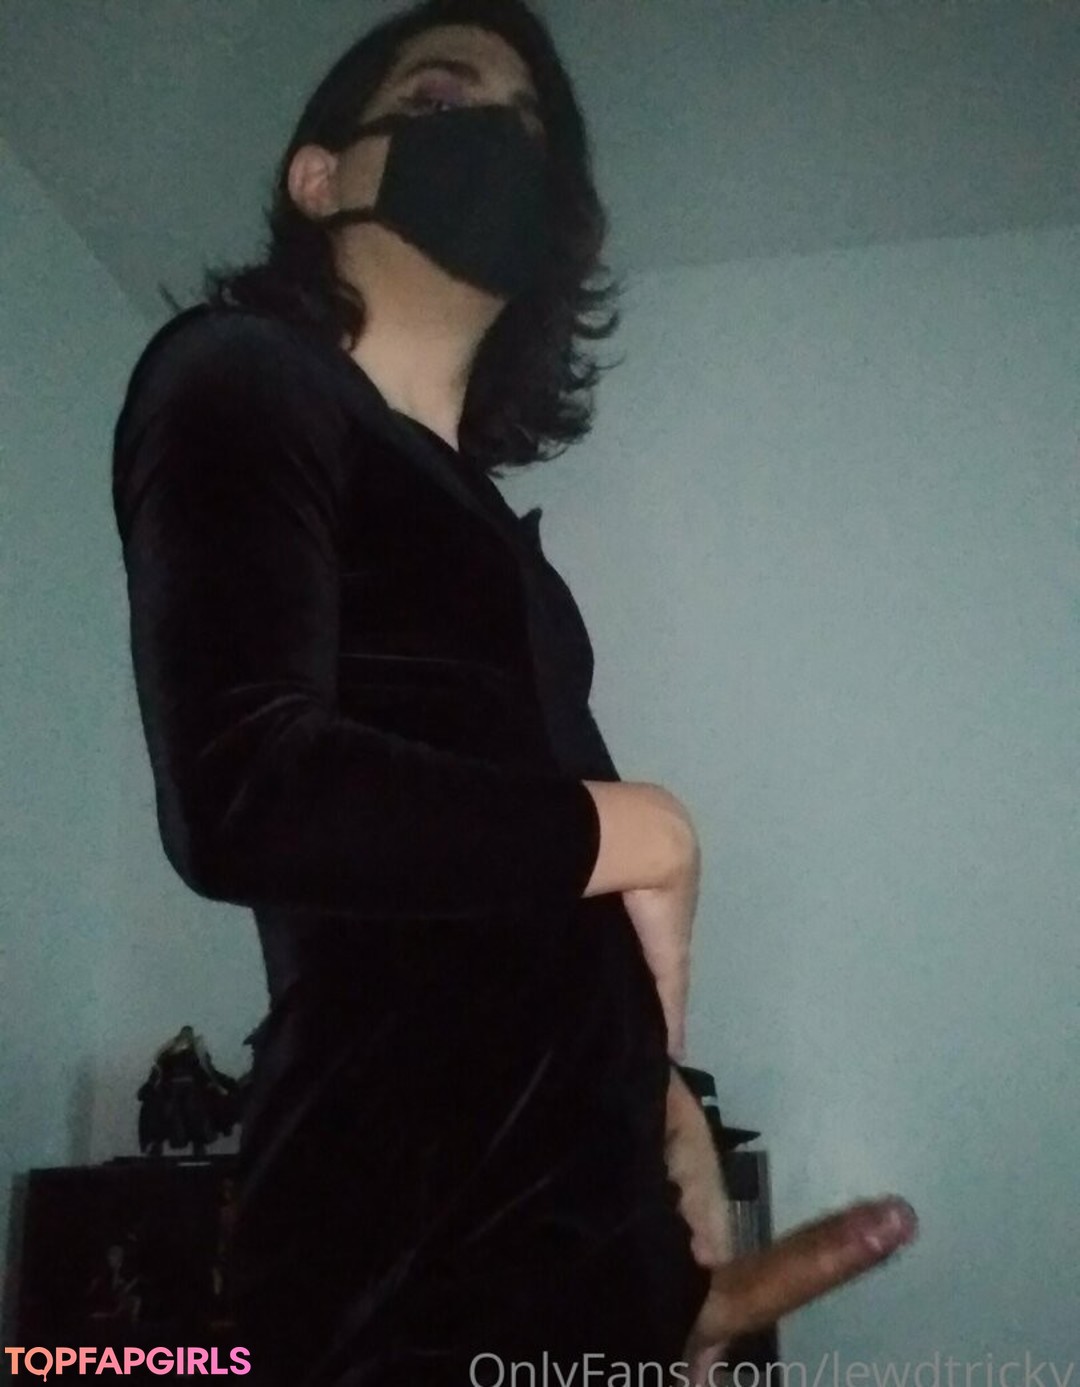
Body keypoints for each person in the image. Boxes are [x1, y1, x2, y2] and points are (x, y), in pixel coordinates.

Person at [110, 1, 917, 1382]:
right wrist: (649, 828)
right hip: (395, 1286)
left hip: (586, 1292)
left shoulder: (501, 552)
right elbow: (248, 792)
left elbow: (517, 908)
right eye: (441, 98)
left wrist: (659, 1149)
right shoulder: (240, 370)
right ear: (320, 177)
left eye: (531, 131)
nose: (496, 136)